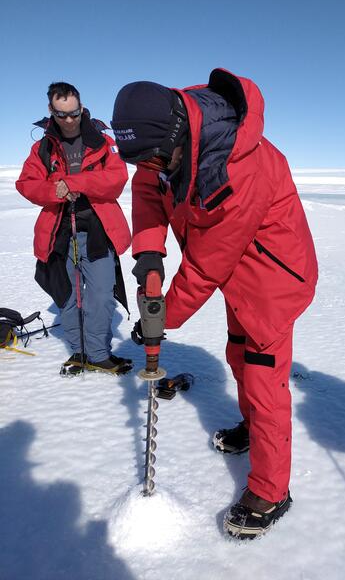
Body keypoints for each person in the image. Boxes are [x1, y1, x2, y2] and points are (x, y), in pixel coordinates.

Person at [111, 68, 318, 538]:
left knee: (264, 380)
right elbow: (147, 189)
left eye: (156, 159)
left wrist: (161, 319)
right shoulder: (167, 138)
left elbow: (206, 266)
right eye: (143, 161)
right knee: (237, 356)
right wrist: (148, 252)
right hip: (238, 276)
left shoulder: (243, 168)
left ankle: (271, 491)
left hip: (273, 282)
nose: (152, 168)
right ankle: (252, 427)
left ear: (176, 136)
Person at [16, 82, 132, 374]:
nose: (69, 120)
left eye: (74, 113)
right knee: (67, 296)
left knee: (101, 295)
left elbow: (116, 179)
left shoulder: (102, 142)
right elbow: (26, 184)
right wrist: (54, 191)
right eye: (62, 114)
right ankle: (79, 352)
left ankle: (98, 354)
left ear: (81, 107)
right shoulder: (42, 147)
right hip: (58, 232)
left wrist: (75, 183)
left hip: (97, 231)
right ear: (51, 110)